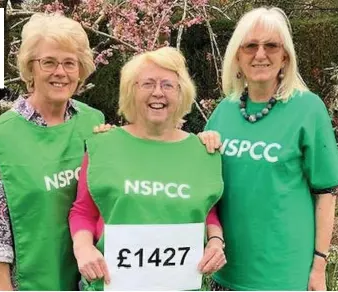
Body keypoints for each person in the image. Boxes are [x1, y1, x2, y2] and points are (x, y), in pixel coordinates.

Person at [199, 6, 338, 291]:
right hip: (227, 273)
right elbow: (205, 187)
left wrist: (319, 266)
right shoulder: (224, 111)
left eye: (271, 46)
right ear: (237, 56)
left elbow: (326, 193)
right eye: (250, 46)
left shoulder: (308, 109)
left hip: (284, 276)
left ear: (285, 56)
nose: (260, 54)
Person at [68, 46, 226, 291]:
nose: (157, 93)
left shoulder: (203, 152)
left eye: (167, 85)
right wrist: (83, 248)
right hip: (111, 284)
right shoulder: (103, 146)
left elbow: (206, 210)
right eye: (147, 84)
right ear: (131, 91)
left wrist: (215, 242)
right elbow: (83, 210)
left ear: (181, 93)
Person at [0, 13, 105, 291]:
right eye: (48, 62)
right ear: (29, 68)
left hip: (90, 277)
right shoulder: (2, 137)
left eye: (70, 63)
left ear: (81, 69)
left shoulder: (94, 123)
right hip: (33, 279)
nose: (60, 72)